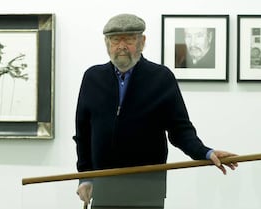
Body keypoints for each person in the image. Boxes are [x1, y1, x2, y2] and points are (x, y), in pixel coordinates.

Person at [73, 13, 237, 209]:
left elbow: (180, 130)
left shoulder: (161, 78)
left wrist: (204, 152)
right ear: (107, 43)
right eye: (115, 40)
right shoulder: (92, 78)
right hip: (105, 187)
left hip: (147, 189)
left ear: (142, 42)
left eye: (130, 39)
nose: (122, 46)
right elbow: (83, 134)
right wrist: (85, 177)